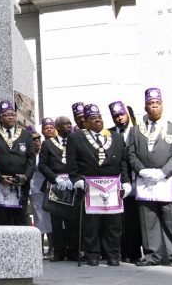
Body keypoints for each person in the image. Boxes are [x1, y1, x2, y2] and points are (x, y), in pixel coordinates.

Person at [67, 103, 131, 267]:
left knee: (113, 224)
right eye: (92, 119)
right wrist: (76, 180)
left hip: (112, 186)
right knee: (91, 224)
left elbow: (123, 162)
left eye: (99, 118)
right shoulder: (76, 138)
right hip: (89, 185)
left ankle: (112, 255)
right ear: (86, 122)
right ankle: (92, 254)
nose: (97, 121)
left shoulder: (116, 137)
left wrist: (126, 181)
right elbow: (72, 163)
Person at [128, 88, 172, 267]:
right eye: (151, 104)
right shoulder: (135, 130)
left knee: (171, 219)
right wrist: (142, 171)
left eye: (157, 103)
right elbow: (131, 154)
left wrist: (163, 171)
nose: (154, 107)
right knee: (147, 219)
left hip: (166, 180)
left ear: (162, 105)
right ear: (146, 107)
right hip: (145, 181)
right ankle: (152, 256)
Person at [38, 115, 79, 262]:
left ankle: (73, 251)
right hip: (55, 184)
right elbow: (42, 165)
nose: (69, 126)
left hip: (72, 183)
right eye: (66, 124)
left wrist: (74, 177)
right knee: (56, 220)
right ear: (58, 127)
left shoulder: (75, 141)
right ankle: (59, 251)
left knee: (72, 220)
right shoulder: (48, 144)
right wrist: (55, 178)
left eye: (70, 124)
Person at [0, 101, 35, 226]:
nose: (10, 117)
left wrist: (26, 176)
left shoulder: (26, 135)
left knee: (20, 220)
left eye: (13, 114)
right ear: (0, 118)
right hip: (1, 183)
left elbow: (31, 159)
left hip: (21, 184)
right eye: (6, 115)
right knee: (3, 220)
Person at [108, 100, 142, 264]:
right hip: (117, 182)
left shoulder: (138, 131)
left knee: (134, 220)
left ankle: (134, 253)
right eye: (116, 116)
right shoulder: (109, 133)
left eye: (121, 114)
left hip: (138, 180)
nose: (119, 118)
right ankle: (120, 252)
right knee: (118, 220)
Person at [29, 129, 53, 257]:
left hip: (45, 189)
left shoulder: (44, 153)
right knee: (38, 219)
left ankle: (51, 247)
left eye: (38, 139)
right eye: (33, 140)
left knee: (47, 218)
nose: (36, 141)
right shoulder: (28, 154)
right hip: (33, 190)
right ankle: (38, 248)